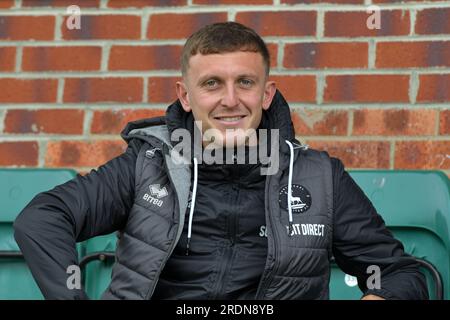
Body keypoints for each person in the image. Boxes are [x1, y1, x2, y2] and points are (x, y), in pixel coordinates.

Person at [14, 22, 428, 300]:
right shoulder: (147, 164)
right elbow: (44, 217)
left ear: (266, 95)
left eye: (245, 82)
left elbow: (401, 272)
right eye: (212, 84)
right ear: (185, 96)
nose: (230, 100)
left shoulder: (319, 177)